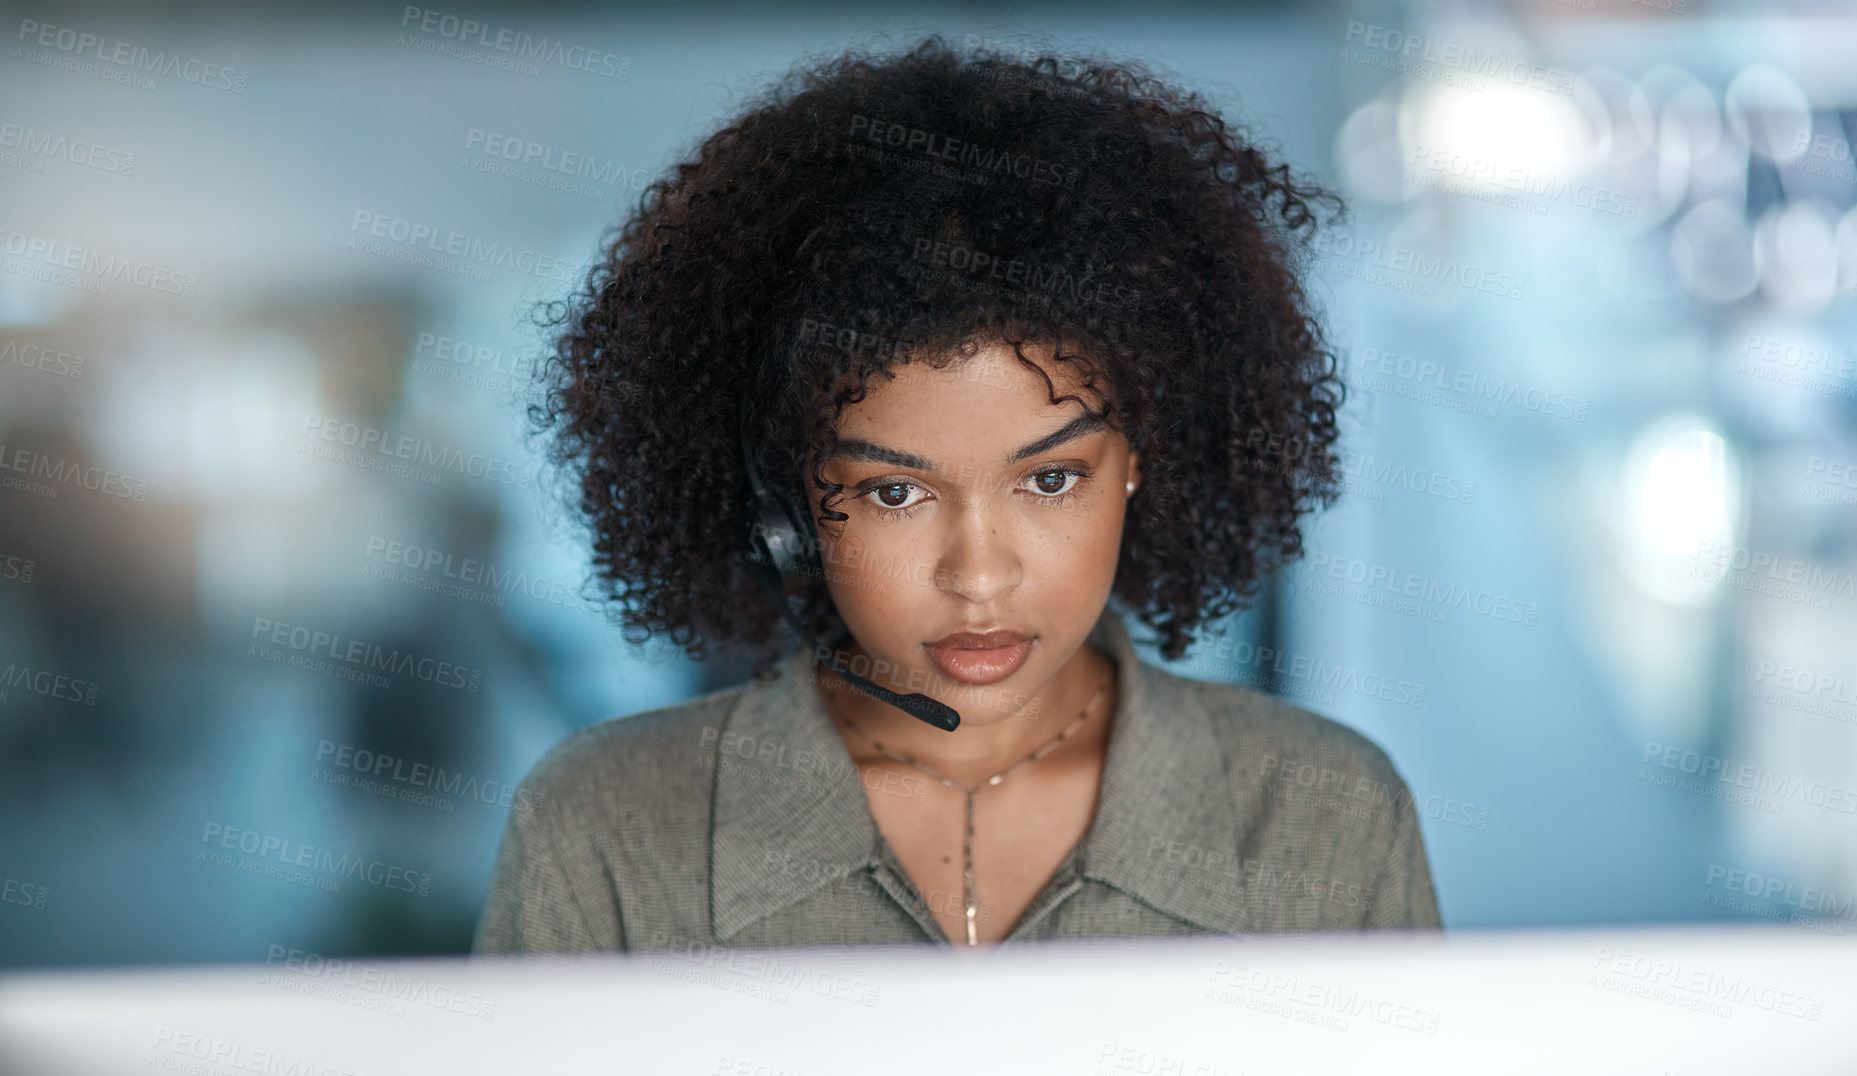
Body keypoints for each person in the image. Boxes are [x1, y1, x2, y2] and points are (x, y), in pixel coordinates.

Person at [475, 34, 1440, 954]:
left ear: (1145, 460)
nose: (978, 576)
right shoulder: (601, 825)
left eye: (1051, 479)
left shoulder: (1321, 812)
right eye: (895, 493)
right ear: (787, 510)